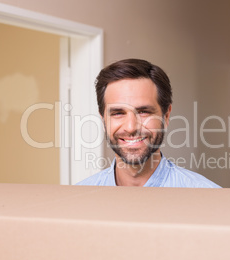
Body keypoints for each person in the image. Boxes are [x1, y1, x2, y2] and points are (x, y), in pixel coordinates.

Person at [76, 59, 221, 188]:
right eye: (118, 113)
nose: (131, 127)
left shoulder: (207, 195)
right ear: (103, 120)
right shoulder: (80, 198)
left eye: (143, 112)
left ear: (166, 115)